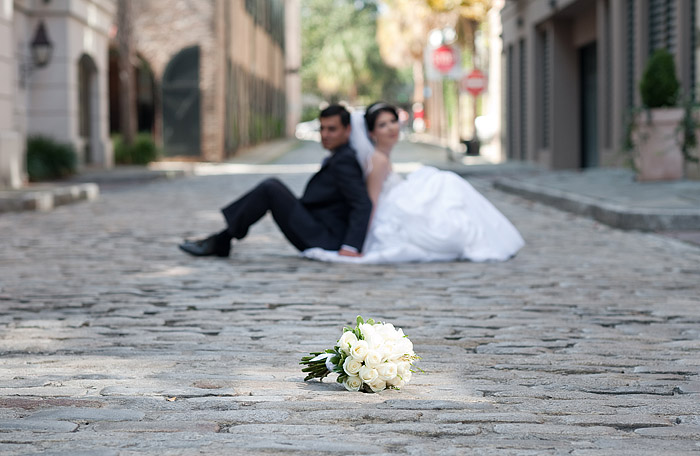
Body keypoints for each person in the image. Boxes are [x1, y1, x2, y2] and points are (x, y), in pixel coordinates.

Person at [302, 102, 525, 263]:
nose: (391, 128)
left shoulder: (382, 156)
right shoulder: (377, 160)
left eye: (392, 121)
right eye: (382, 125)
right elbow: (370, 200)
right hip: (392, 214)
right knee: (445, 184)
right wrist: (360, 242)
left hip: (400, 204)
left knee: (445, 187)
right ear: (371, 133)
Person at [179, 105, 372, 258]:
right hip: (315, 226)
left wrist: (351, 246)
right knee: (271, 188)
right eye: (322, 128)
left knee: (271, 188)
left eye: (332, 129)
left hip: (324, 237)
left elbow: (362, 203)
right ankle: (222, 239)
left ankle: (222, 240)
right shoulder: (339, 156)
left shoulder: (345, 160)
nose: (325, 134)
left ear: (347, 130)